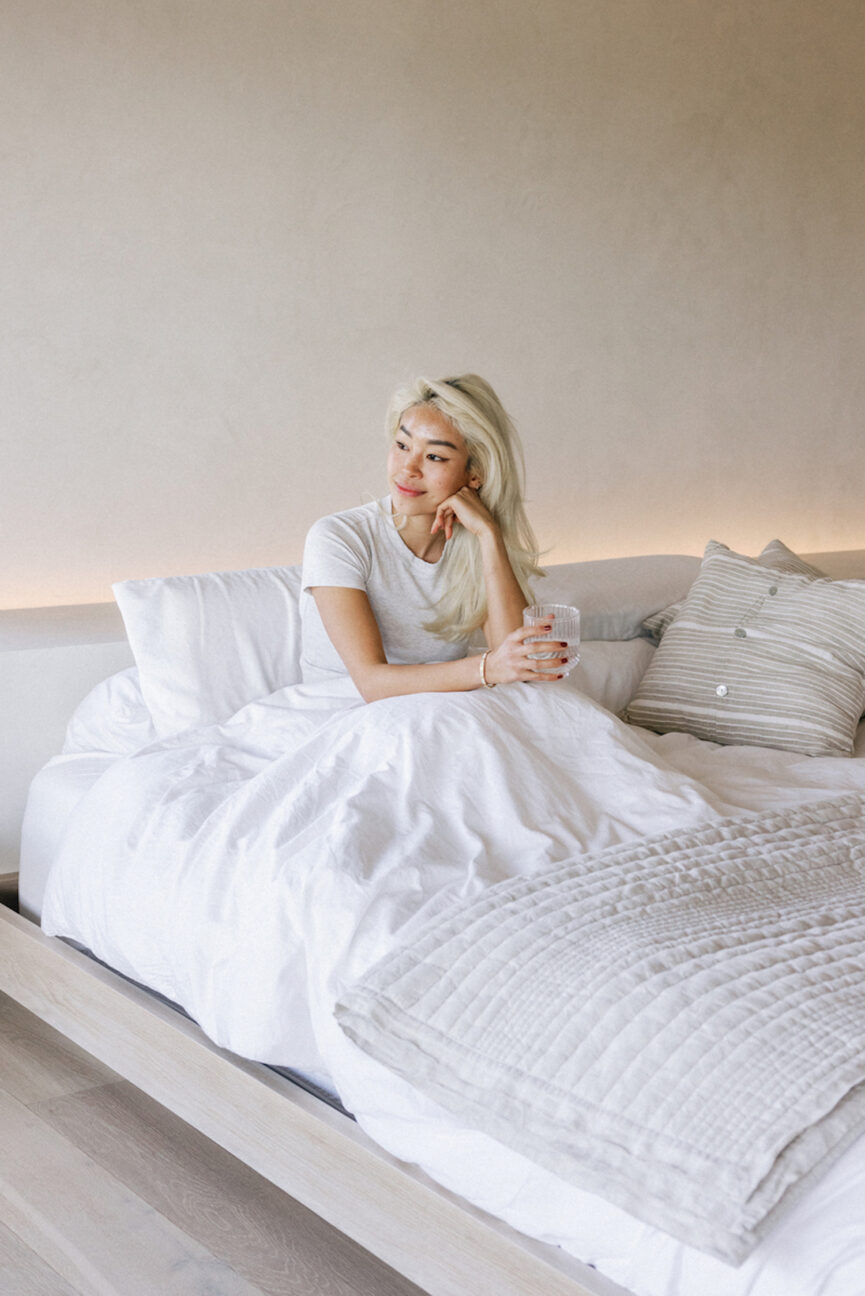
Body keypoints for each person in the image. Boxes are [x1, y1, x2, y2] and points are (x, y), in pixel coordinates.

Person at [300, 374, 568, 701]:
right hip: (338, 712)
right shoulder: (339, 538)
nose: (408, 469)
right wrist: (487, 669)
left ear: (475, 474)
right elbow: (371, 683)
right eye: (402, 446)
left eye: (435, 457)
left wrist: (488, 535)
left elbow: (517, 662)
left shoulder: (472, 543)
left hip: (440, 711)